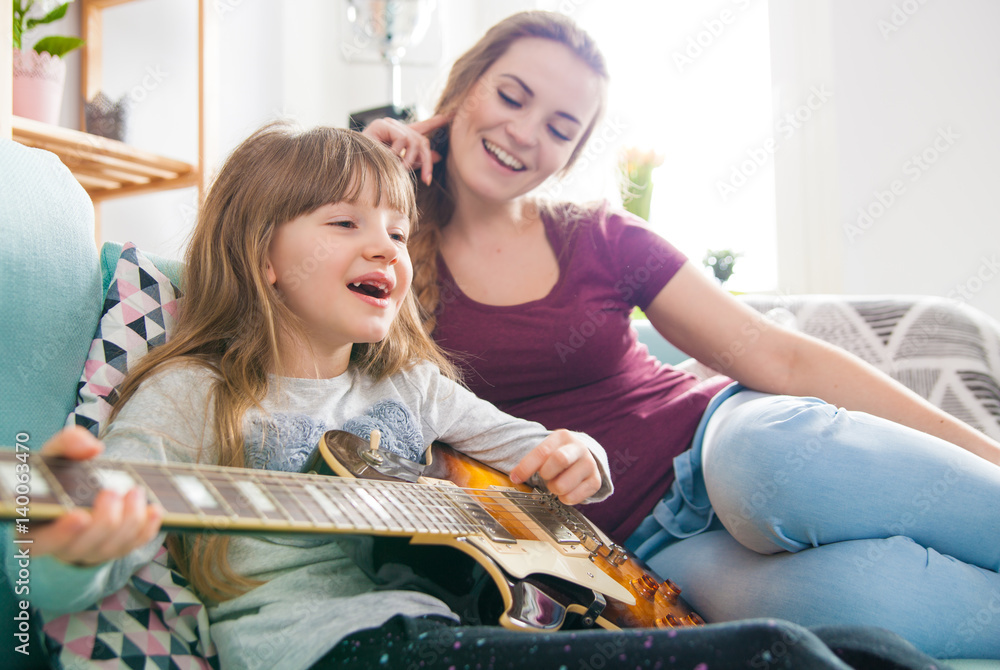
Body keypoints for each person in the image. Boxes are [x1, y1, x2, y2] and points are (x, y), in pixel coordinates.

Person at [14, 124, 941, 670]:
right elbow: (74, 565)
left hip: (459, 626)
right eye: (344, 224)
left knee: (866, 645)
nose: (385, 247)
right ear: (260, 256)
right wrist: (66, 548)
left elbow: (547, 449)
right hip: (337, 654)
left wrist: (578, 455)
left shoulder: (409, 387)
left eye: (396, 229)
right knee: (771, 651)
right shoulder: (193, 391)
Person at [362, 9, 1000, 660]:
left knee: (767, 470)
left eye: (559, 128)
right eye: (510, 95)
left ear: (571, 154)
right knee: (869, 603)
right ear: (464, 87)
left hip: (716, 446)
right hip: (644, 552)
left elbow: (780, 357)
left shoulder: (598, 235)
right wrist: (363, 173)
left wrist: (988, 455)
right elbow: (280, 311)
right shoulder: (383, 248)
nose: (523, 133)